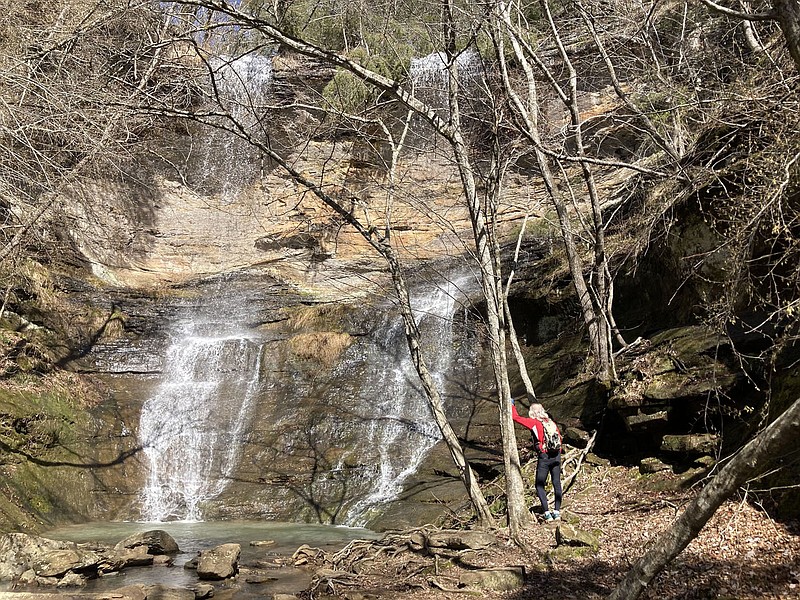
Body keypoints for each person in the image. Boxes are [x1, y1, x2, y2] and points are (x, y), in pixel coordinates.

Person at [511, 398, 563, 522]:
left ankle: (547, 513)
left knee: (539, 485)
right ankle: (556, 511)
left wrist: (511, 404)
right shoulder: (551, 422)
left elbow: (515, 417)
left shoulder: (534, 423)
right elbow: (559, 438)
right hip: (556, 456)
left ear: (532, 413)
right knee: (557, 483)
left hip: (544, 457)